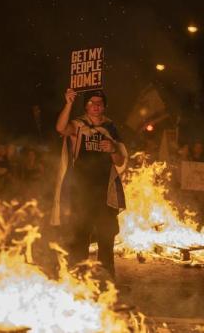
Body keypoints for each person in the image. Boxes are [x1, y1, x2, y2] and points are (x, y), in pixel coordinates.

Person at [52, 88, 127, 278]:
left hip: (105, 194)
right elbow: (61, 128)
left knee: (106, 237)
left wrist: (112, 149)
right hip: (81, 192)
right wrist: (68, 103)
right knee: (79, 236)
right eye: (92, 103)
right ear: (86, 106)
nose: (96, 106)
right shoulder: (78, 125)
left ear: (105, 107)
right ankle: (78, 276)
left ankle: (106, 279)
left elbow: (119, 161)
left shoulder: (111, 128)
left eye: (100, 103)